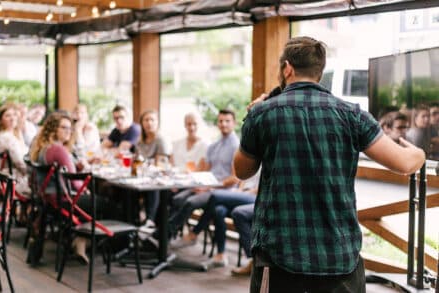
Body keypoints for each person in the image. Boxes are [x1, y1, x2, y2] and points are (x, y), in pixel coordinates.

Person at [234, 36, 425, 292]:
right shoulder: (352, 114)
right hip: (339, 258)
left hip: (280, 256)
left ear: (287, 67)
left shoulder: (263, 113)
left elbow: (242, 170)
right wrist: (420, 153)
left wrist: (252, 116)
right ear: (319, 71)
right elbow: (404, 163)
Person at [168, 109, 240, 250]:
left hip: (223, 190)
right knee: (177, 198)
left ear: (234, 123)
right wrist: (198, 184)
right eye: (220, 121)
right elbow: (206, 170)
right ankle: (170, 234)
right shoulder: (214, 145)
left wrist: (211, 187)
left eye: (227, 121)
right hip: (207, 187)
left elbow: (235, 178)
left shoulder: (236, 146)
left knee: (189, 202)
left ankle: (166, 234)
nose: (223, 124)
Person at [30, 111, 91, 263]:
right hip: (63, 200)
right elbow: (74, 182)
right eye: (64, 128)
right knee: (108, 203)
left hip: (48, 199)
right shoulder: (59, 150)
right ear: (53, 129)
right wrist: (86, 190)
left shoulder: (43, 148)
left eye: (70, 128)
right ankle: (81, 239)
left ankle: (78, 237)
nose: (68, 132)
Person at [175, 172, 259, 267]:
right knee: (219, 210)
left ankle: (194, 232)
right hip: (240, 194)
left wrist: (240, 193)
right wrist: (238, 191)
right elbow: (242, 180)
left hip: (252, 197)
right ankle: (221, 255)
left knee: (214, 196)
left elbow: (260, 188)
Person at [136, 110, 171, 229]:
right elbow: (136, 161)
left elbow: (161, 164)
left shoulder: (160, 140)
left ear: (157, 122)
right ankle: (133, 222)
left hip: (159, 178)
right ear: (142, 123)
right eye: (146, 120)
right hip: (142, 177)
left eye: (152, 120)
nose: (149, 123)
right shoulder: (140, 142)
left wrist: (145, 166)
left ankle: (150, 221)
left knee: (152, 186)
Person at [0, 103, 30, 195]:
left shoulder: (14, 135)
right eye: (8, 116)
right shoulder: (6, 137)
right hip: (13, 179)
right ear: (1, 120)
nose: (12, 118)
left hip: (12, 177)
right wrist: (33, 171)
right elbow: (20, 162)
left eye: (14, 115)